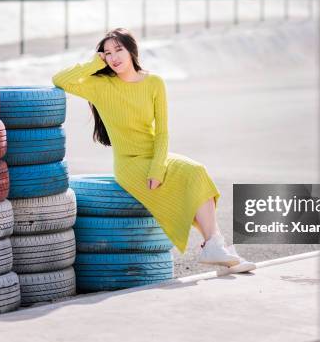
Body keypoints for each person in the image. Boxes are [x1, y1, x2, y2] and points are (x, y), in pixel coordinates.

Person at [52, 28, 256, 273]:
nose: (114, 57)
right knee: (193, 177)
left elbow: (162, 133)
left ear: (131, 51)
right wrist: (93, 63)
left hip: (155, 156)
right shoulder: (100, 85)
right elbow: (60, 79)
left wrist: (158, 168)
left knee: (197, 173)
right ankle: (219, 249)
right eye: (107, 53)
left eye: (119, 50)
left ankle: (217, 249)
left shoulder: (154, 83)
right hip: (129, 164)